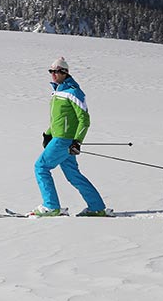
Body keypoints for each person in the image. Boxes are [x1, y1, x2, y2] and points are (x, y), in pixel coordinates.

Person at [33, 57, 110, 217]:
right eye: (51, 71)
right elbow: (60, 119)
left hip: (64, 140)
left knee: (41, 167)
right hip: (59, 138)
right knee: (73, 175)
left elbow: (84, 119)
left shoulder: (73, 92)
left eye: (57, 71)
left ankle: (51, 206)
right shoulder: (58, 91)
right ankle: (96, 207)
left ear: (65, 73)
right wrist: (48, 134)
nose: (53, 74)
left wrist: (77, 141)